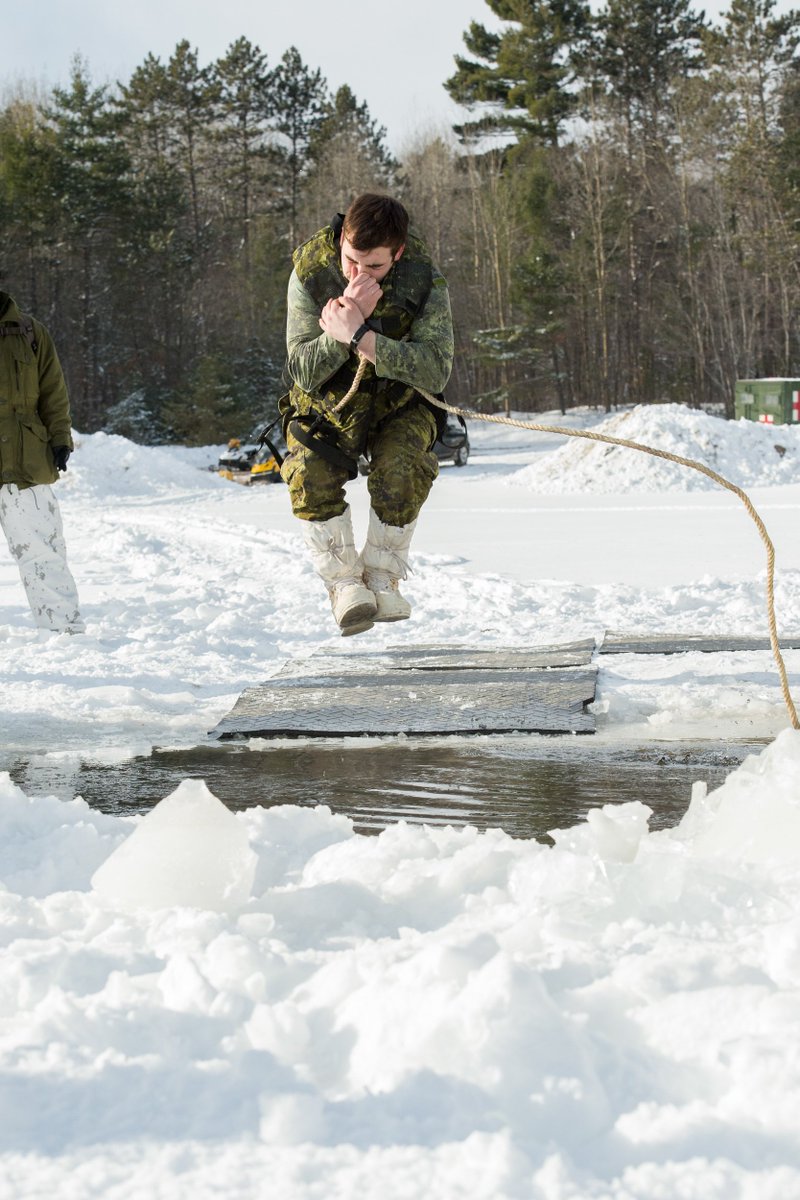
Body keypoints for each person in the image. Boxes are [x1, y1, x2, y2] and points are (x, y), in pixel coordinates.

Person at [282, 193, 454, 636]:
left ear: (397, 253)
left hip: (401, 401)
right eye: (352, 261)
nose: (359, 274)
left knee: (403, 468)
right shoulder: (311, 271)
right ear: (341, 240)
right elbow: (301, 368)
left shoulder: (424, 278)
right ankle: (344, 586)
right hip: (331, 402)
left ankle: (382, 576)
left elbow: (436, 367)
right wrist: (340, 333)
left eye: (374, 267)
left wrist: (360, 334)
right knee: (308, 471)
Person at [0, 291, 84, 633]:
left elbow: (53, 391)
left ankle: (63, 631)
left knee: (43, 553)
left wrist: (61, 439)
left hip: (26, 462)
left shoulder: (30, 332)